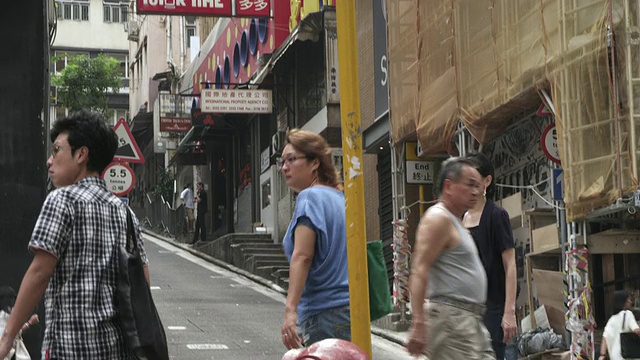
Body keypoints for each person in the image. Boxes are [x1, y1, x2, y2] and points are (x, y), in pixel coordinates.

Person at [0, 110, 149, 359]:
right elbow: (142, 282)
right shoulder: (125, 213)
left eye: (57, 150)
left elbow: (39, 273)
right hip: (117, 350)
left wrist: (7, 337)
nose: (50, 160)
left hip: (69, 349)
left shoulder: (62, 200)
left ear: (81, 154)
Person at [406, 157, 495, 359]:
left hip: (470, 319)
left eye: (478, 186)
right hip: (452, 320)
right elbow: (420, 269)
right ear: (449, 185)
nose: (476, 191)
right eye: (470, 185)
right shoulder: (438, 218)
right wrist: (418, 321)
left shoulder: (456, 221)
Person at [279, 129, 350, 350]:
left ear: (314, 163)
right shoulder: (341, 198)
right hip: (350, 310)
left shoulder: (309, 197)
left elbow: (303, 256)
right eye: (282, 162)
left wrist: (290, 311)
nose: (284, 167)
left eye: (292, 159)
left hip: (323, 314)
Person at [463, 152, 518, 359]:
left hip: (493, 308)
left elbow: (510, 264)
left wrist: (509, 311)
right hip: (467, 310)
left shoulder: (497, 216)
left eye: (474, 181)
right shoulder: (459, 218)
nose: (469, 188)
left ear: (487, 181)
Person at [601, 290, 640, 360]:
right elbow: (637, 330)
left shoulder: (611, 320)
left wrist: (602, 355)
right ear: (624, 302)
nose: (631, 302)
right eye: (629, 300)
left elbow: (604, 339)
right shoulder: (628, 314)